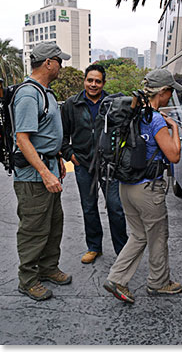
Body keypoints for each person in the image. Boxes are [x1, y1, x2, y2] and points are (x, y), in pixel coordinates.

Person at [103, 68, 182, 304]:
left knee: (138, 235)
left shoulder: (133, 113)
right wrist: (175, 129)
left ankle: (116, 278)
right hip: (148, 189)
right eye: (170, 92)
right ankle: (159, 283)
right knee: (157, 236)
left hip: (126, 186)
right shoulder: (155, 118)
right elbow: (174, 155)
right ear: (163, 92)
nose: (170, 97)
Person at [13, 42, 72, 301]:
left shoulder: (45, 92)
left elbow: (45, 135)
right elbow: (22, 139)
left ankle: (48, 269)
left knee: (53, 225)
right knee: (34, 229)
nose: (62, 66)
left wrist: (56, 157)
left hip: (48, 169)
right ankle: (27, 280)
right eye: (60, 61)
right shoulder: (29, 94)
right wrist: (45, 173)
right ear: (48, 62)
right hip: (34, 177)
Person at [61, 64, 128, 264]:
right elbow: (63, 137)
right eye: (90, 80)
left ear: (103, 83)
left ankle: (123, 251)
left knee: (115, 207)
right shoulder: (71, 105)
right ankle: (94, 247)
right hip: (83, 164)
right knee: (89, 207)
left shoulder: (113, 103)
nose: (93, 84)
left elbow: (125, 131)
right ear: (84, 81)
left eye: (98, 81)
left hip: (109, 165)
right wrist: (71, 156)